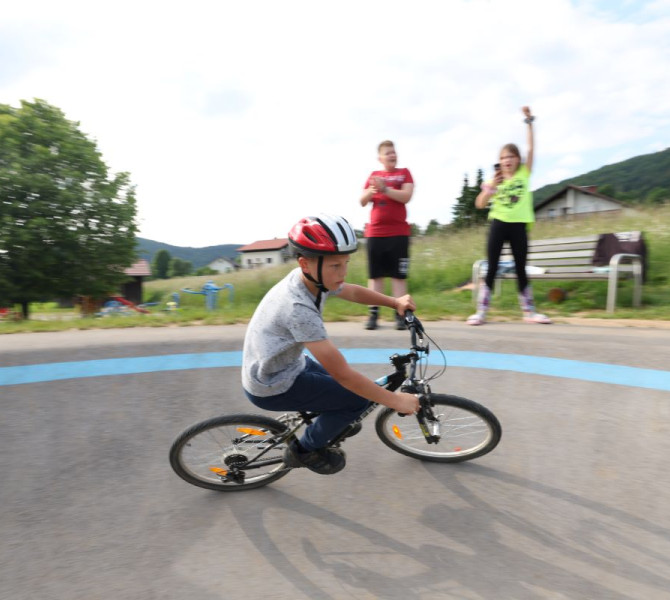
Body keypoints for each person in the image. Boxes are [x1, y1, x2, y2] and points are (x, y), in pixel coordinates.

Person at [241, 214, 420, 475]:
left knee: (349, 397)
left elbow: (353, 291)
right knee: (357, 400)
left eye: (345, 263)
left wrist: (394, 303)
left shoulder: (312, 278)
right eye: (336, 266)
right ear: (305, 263)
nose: (343, 272)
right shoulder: (298, 308)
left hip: (284, 365)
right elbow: (343, 374)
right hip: (273, 384)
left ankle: (332, 418)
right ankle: (305, 450)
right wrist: (394, 401)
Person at [467, 106, 551, 326]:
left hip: (519, 225)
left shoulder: (524, 173)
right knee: (492, 266)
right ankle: (482, 311)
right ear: (500, 161)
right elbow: (479, 204)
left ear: (517, 159)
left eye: (511, 157)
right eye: (503, 157)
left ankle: (529, 311)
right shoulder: (494, 179)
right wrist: (490, 188)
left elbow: (532, 149)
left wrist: (529, 122)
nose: (507, 160)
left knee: (521, 266)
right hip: (499, 224)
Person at [360, 140, 414, 331]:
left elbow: (406, 196)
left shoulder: (404, 173)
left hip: (399, 233)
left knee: (398, 276)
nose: (392, 155)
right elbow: (362, 200)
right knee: (376, 276)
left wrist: (386, 189)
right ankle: (373, 314)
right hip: (375, 233)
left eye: (394, 152)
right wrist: (371, 191)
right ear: (380, 158)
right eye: (388, 153)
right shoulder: (374, 176)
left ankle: (400, 315)